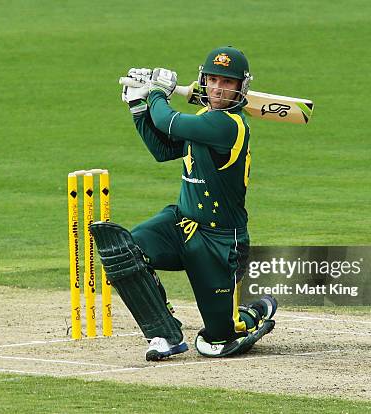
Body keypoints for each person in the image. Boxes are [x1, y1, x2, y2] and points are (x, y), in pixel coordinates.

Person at [90, 46, 277, 361]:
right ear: (203, 80)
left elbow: (169, 122)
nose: (218, 88)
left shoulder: (228, 126)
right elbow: (162, 149)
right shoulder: (205, 117)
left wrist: (157, 94)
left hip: (219, 242)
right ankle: (163, 333)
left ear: (240, 87)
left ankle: (255, 312)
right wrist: (138, 105)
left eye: (227, 82)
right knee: (124, 252)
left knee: (221, 339)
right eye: (213, 79)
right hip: (180, 224)